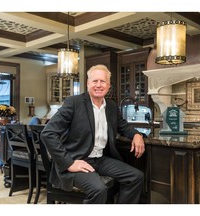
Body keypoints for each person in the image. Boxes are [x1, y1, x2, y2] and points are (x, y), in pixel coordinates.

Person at [40, 64, 145, 204]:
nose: (98, 85)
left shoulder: (112, 106)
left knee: (136, 176)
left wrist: (137, 135)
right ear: (88, 83)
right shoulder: (74, 103)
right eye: (95, 81)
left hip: (100, 159)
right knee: (98, 189)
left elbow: (124, 126)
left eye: (103, 81)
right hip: (76, 160)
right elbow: (48, 133)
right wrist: (68, 163)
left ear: (108, 86)